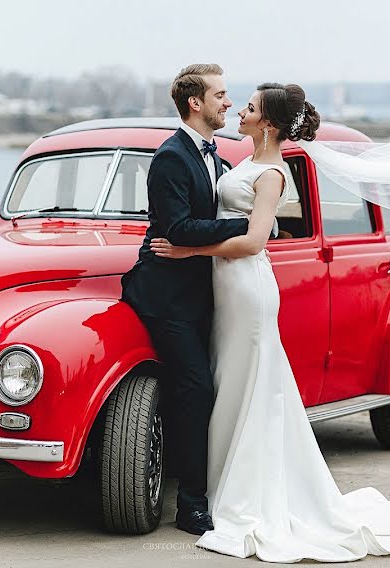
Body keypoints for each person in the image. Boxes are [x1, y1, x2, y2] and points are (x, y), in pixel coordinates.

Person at [149, 82, 390, 562]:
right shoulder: (242, 159)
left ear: (269, 124)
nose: (240, 108)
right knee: (229, 384)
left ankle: (248, 495)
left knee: (252, 385)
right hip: (225, 288)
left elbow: (257, 240)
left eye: (251, 107)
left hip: (248, 286)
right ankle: (222, 487)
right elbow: (251, 219)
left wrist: (190, 248)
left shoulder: (274, 170)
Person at [120, 63, 249, 536]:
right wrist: (248, 229)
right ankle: (191, 505)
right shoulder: (172, 157)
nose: (228, 102)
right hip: (165, 295)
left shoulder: (215, 156)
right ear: (195, 102)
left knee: (203, 386)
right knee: (196, 387)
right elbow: (177, 229)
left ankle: (199, 484)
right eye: (221, 94)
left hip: (202, 292)